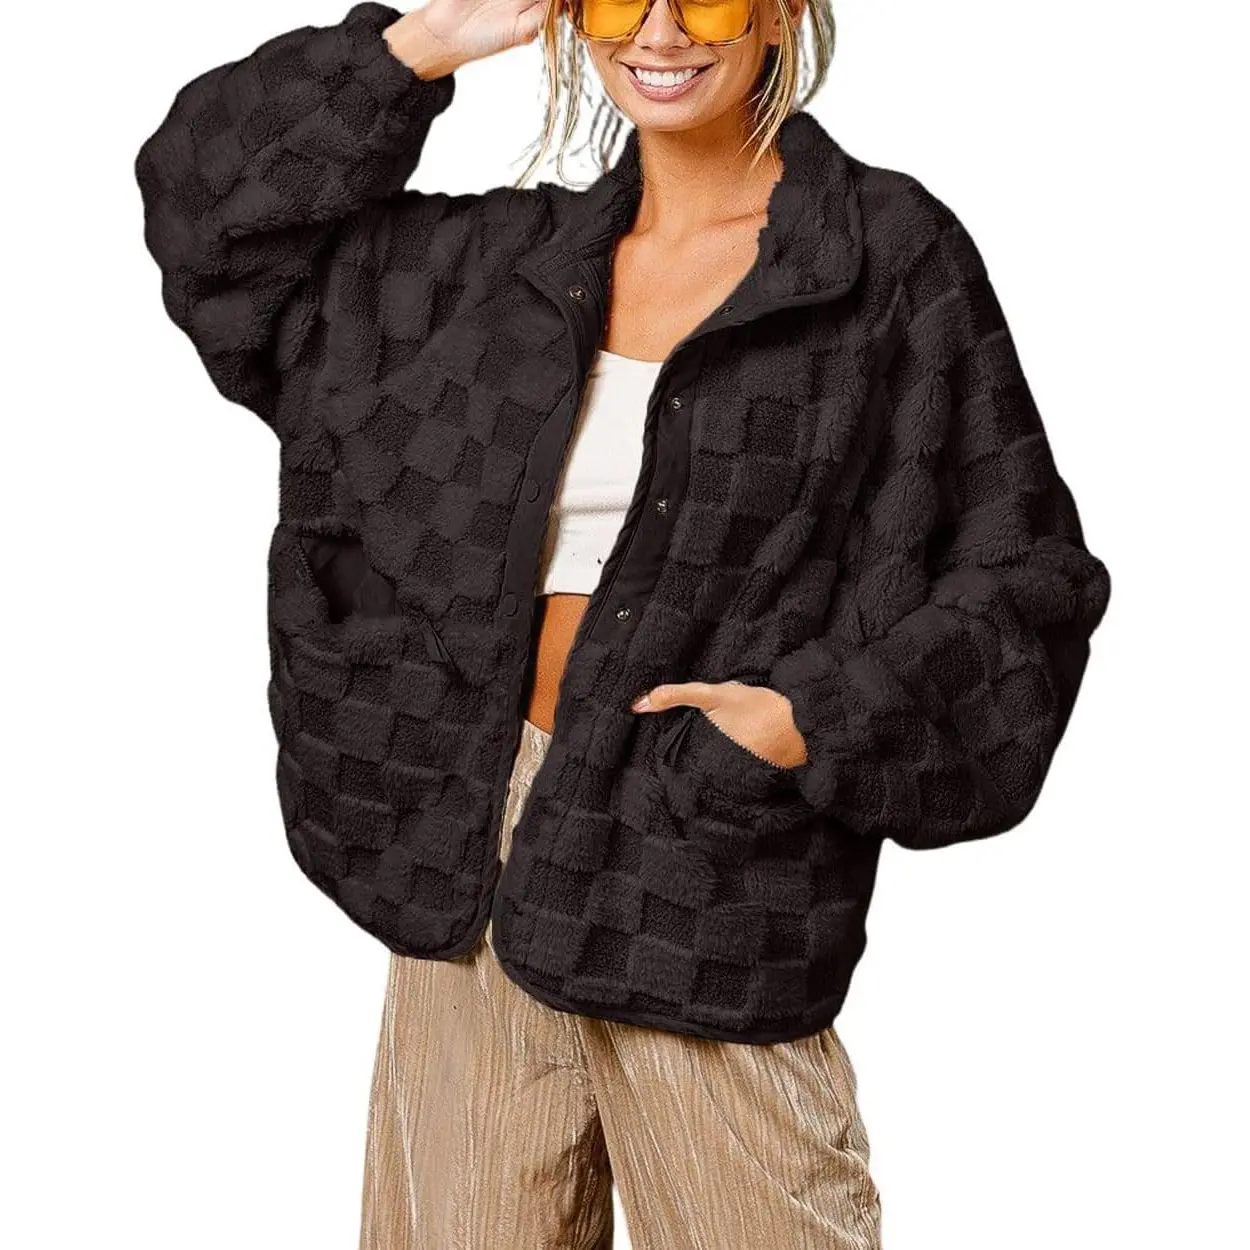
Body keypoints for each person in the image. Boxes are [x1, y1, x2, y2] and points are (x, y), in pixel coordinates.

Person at [134, 1, 1112, 1245]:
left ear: (777, 13)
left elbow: (1020, 573)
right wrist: (426, 40)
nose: (657, 31)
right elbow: (215, 231)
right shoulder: (488, 272)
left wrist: (806, 720)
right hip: (463, 865)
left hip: (704, 873)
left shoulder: (876, 258)